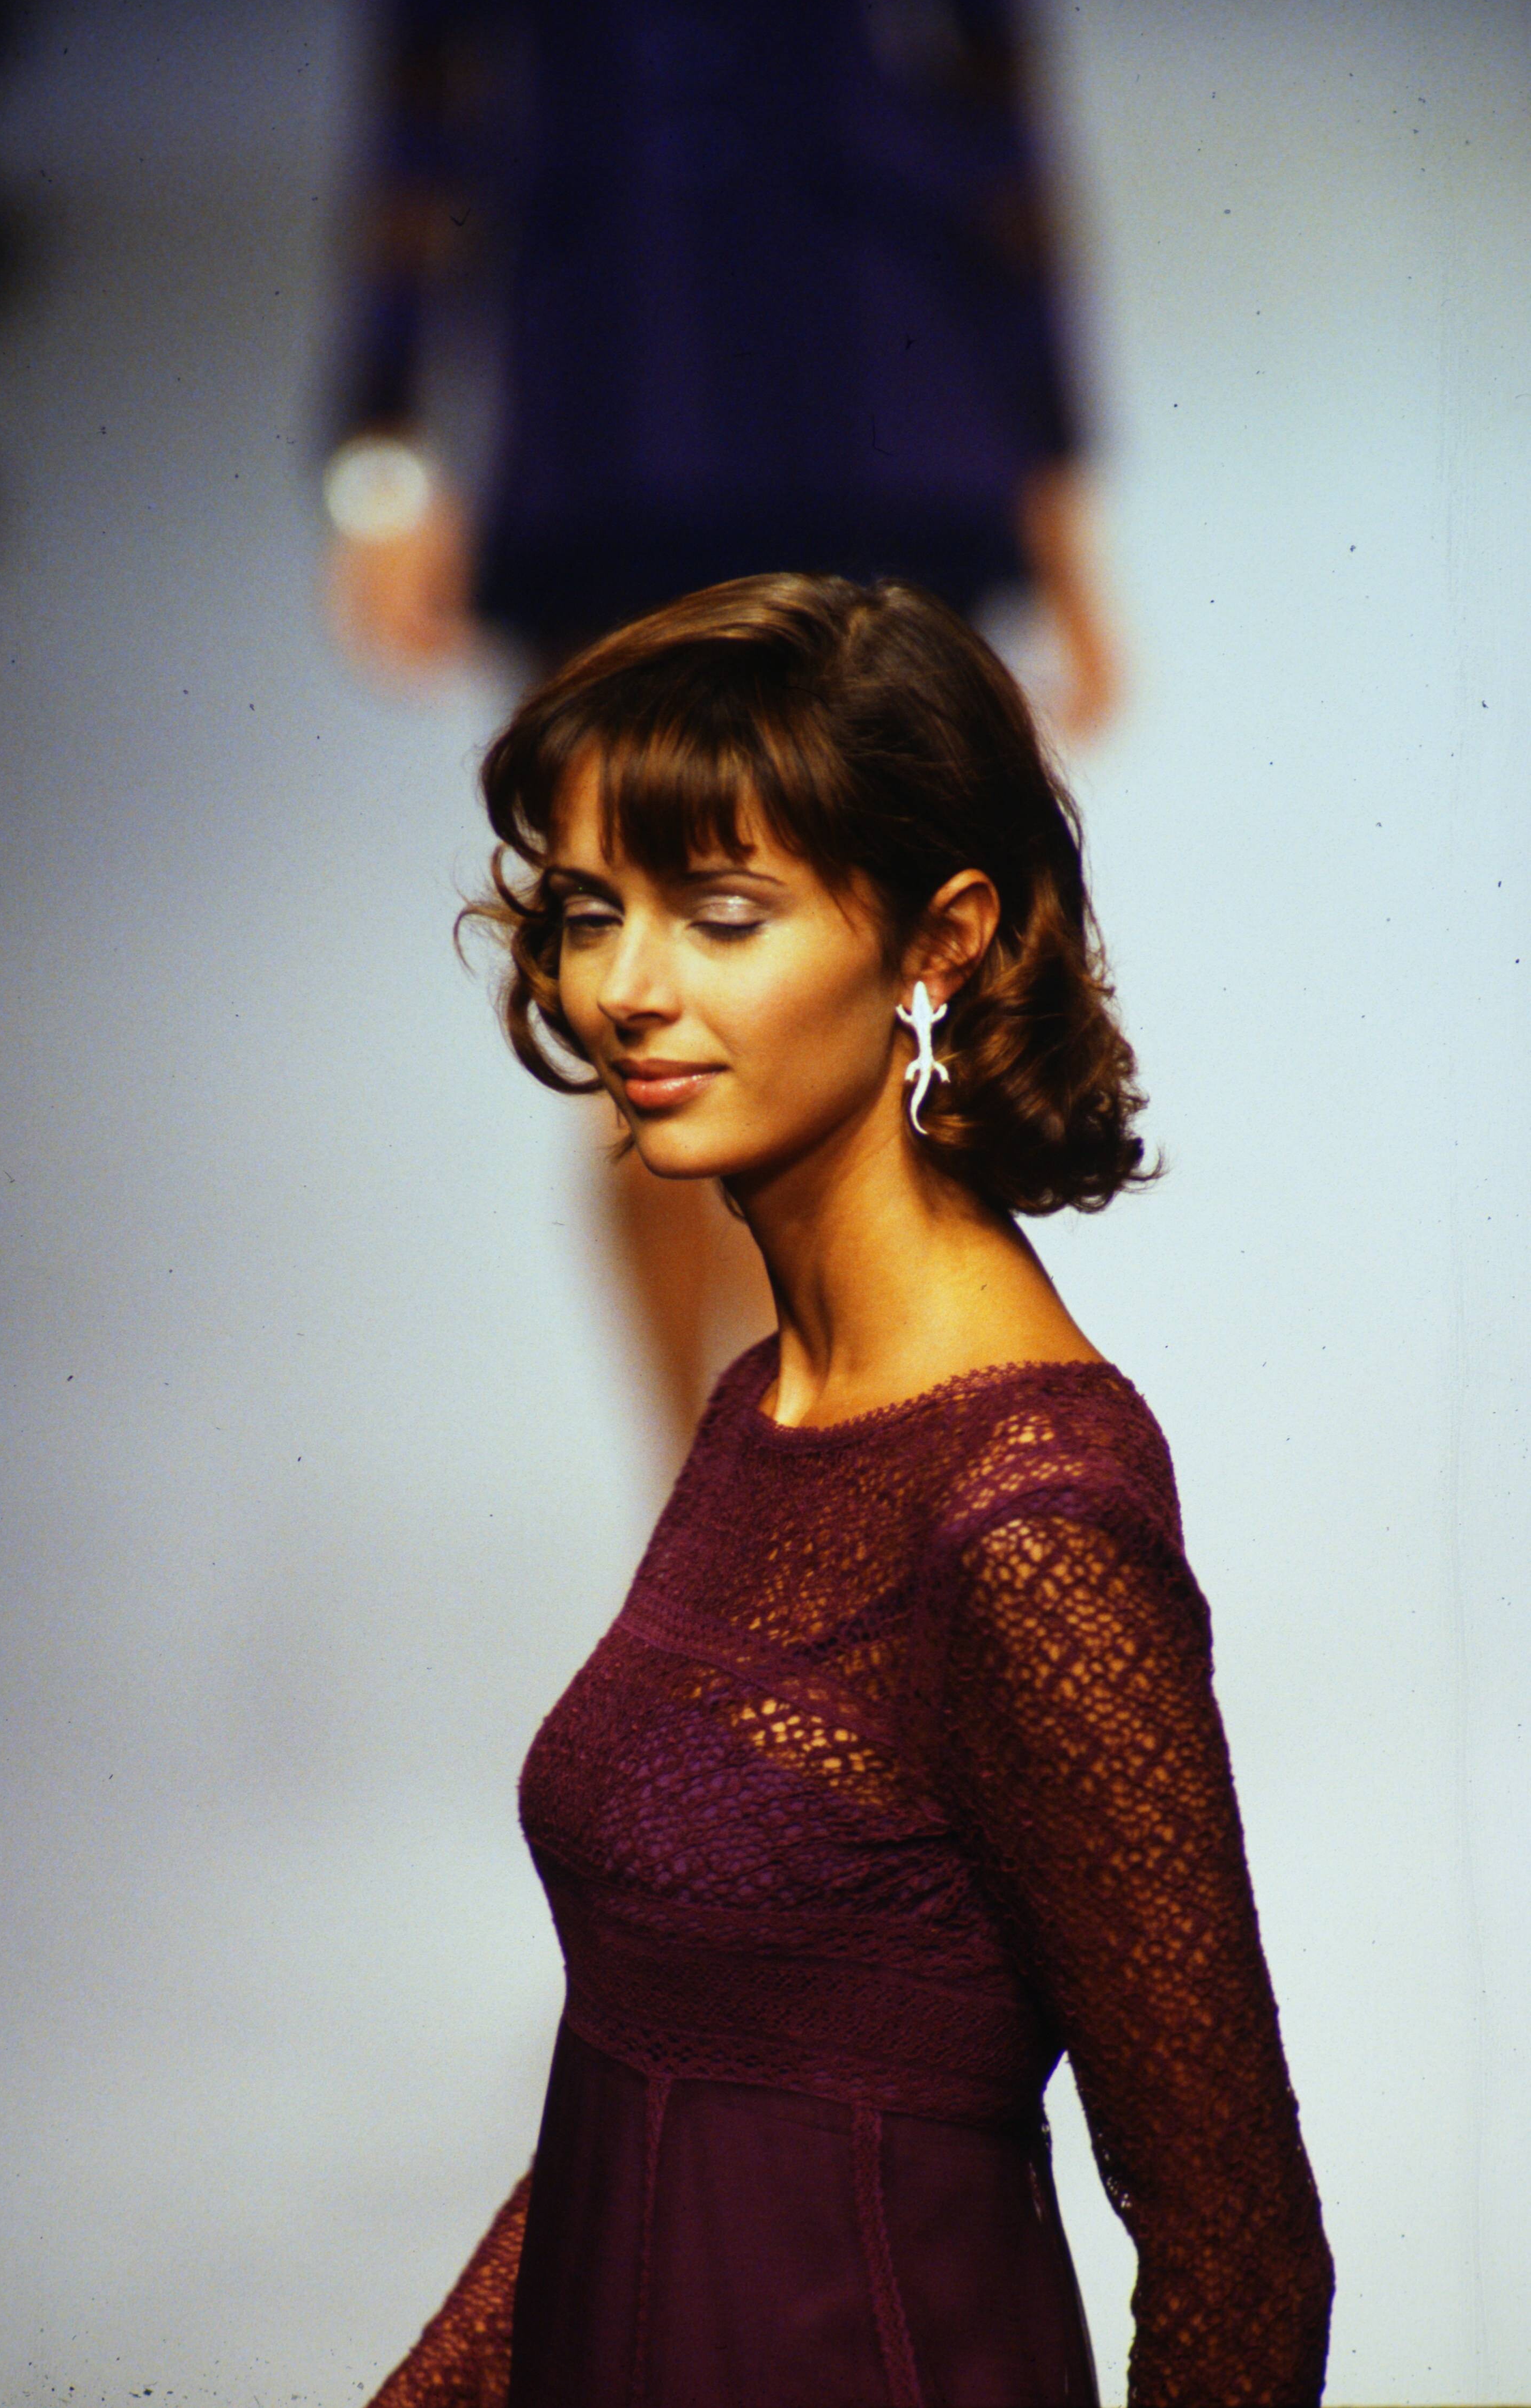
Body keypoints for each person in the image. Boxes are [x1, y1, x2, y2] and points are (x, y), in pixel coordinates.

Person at [363, 573, 1334, 2406]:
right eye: (590, 911)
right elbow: (654, 2062)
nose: (626, 988)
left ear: (938, 939)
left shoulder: (1029, 1520)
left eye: (722, 915)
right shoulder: (769, 1406)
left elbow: (1242, 2252)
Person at [323, 0, 1124, 1448]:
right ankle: (716, 1508)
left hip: (841, 389)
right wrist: (380, 450)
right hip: (633, 406)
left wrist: (1060, 482)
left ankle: (839, 1480)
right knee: (658, 1017)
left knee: (870, 1013)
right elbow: (426, 77)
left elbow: (990, 76)